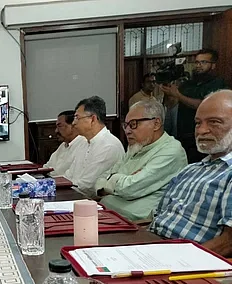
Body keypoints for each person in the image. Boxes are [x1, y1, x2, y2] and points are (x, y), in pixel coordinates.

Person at [149, 90, 232, 257]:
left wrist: (177, 262)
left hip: (189, 264)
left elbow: (227, 243)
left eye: (214, 122)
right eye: (197, 123)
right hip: (152, 247)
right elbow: (158, 218)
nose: (201, 131)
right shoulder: (190, 169)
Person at [95, 100, 187, 221]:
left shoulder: (171, 150)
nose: (127, 131)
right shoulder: (136, 146)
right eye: (126, 125)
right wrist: (119, 180)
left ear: (156, 124)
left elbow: (130, 189)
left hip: (139, 223)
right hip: (110, 212)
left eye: (133, 124)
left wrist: (114, 180)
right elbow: (100, 180)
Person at [161, 48, 228, 163]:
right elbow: (171, 105)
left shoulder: (217, 83)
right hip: (184, 135)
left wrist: (179, 95)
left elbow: (206, 107)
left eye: (203, 62)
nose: (198, 65)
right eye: (197, 62)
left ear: (213, 65)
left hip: (206, 135)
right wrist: (169, 93)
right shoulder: (188, 84)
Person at [64, 96, 125, 197]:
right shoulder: (83, 141)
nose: (73, 123)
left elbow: (89, 187)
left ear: (92, 119)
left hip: (91, 202)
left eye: (77, 118)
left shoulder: (109, 146)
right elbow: (69, 175)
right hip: (74, 195)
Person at [44, 110, 87, 175]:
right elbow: (47, 167)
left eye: (60, 126)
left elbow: (71, 176)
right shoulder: (63, 145)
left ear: (73, 126)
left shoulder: (84, 145)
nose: (56, 131)